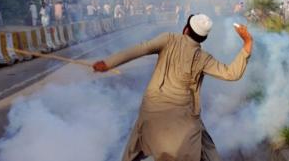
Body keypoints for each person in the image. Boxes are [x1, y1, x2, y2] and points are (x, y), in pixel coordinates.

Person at [93, 14, 253, 161]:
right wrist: (247, 43)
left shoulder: (168, 39)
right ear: (204, 38)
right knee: (208, 150)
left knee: (132, 151)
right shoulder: (204, 58)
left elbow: (140, 49)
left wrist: (107, 63)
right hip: (184, 118)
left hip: (151, 111)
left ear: (185, 29)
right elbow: (231, 74)